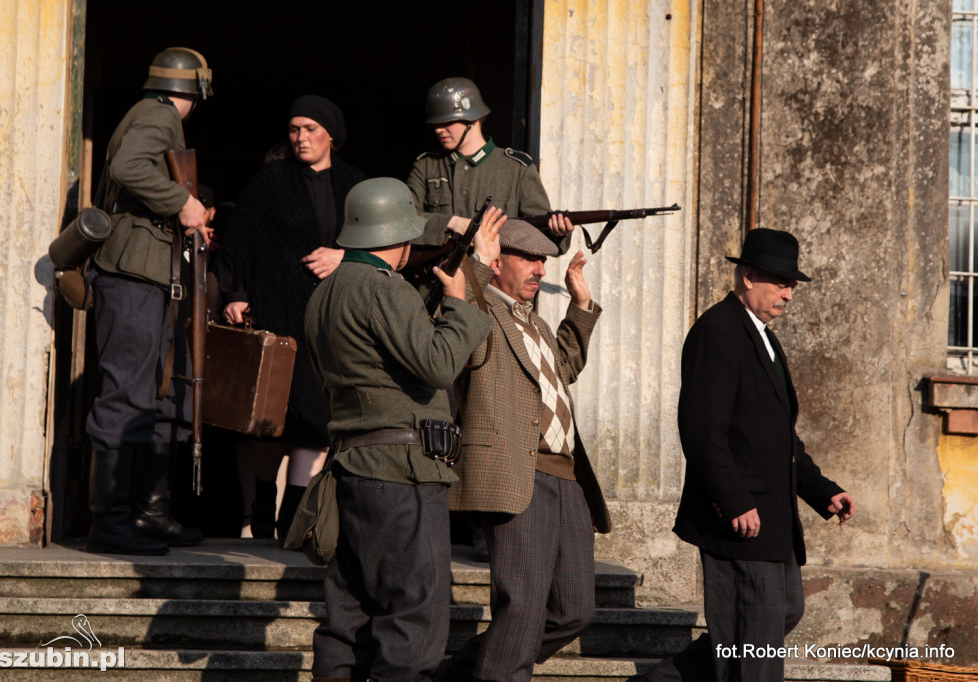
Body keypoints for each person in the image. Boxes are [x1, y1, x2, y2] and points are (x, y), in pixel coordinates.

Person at [304, 177, 494, 679]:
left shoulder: (325, 292)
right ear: (403, 236)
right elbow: (436, 364)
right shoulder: (384, 288)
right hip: (402, 475)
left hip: (352, 469)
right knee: (415, 619)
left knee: (347, 620)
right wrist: (460, 303)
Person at [647, 228, 857, 682]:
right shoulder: (717, 331)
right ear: (747, 277)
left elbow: (780, 437)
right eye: (780, 282)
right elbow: (702, 429)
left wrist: (825, 492)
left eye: (792, 285)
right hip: (742, 518)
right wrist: (735, 499)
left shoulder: (763, 336)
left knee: (782, 612)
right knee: (754, 645)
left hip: (774, 520)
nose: (789, 294)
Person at [441, 217, 612, 680]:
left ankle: (457, 674)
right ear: (496, 263)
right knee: (522, 610)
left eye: (543, 261)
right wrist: (474, 261)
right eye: (529, 259)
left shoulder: (531, 320)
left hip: (567, 478)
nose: (540, 269)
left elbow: (564, 367)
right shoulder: (477, 312)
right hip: (518, 473)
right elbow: (459, 318)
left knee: (573, 611)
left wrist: (580, 304)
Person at [219, 95, 367, 540]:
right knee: (269, 419)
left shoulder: (356, 186)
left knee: (315, 418)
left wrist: (344, 256)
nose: (301, 138)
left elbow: (385, 247)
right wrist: (235, 292)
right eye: (294, 129)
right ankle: (263, 500)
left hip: (331, 321)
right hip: (276, 314)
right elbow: (239, 237)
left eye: (311, 129)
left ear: (332, 136)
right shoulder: (271, 180)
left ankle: (295, 513)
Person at [85, 47, 213, 555]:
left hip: (152, 272)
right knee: (127, 392)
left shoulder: (158, 116)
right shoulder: (158, 114)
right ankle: (110, 523)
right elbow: (128, 166)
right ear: (199, 87)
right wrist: (182, 202)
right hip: (132, 274)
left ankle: (147, 516)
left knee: (161, 393)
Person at [406, 76, 574, 255]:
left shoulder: (517, 169)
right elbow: (403, 221)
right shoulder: (426, 167)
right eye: (436, 124)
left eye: (447, 122)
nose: (439, 130)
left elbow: (540, 235)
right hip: (437, 277)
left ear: (473, 120)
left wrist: (559, 232)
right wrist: (452, 222)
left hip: (493, 278)